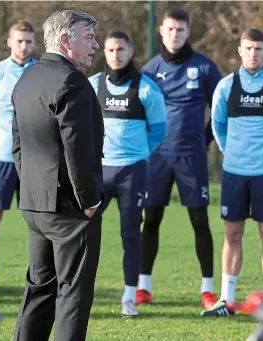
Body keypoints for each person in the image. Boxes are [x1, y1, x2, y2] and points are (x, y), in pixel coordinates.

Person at [11, 10, 103, 341]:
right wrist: (89, 200)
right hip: (70, 210)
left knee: (39, 290)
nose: (96, 44)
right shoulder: (72, 81)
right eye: (88, 37)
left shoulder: (27, 78)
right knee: (73, 296)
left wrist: (33, 190)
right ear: (66, 40)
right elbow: (76, 149)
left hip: (36, 205)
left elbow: (17, 146)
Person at [201, 29, 263, 317]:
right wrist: (231, 151)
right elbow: (217, 124)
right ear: (239, 51)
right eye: (248, 48)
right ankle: (226, 301)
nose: (253, 53)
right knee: (233, 233)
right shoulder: (226, 86)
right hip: (234, 172)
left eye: (259, 48)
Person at [136, 7, 223, 309]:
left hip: (191, 158)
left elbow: (220, 109)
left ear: (188, 33)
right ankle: (143, 287)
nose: (175, 35)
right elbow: (140, 114)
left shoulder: (206, 68)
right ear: (161, 31)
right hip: (157, 158)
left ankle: (208, 290)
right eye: (170, 29)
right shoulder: (149, 71)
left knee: (199, 220)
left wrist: (206, 140)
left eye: (181, 30)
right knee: (151, 220)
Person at [88, 31, 167, 317]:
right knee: (83, 231)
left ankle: (129, 297)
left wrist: (137, 153)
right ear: (104, 52)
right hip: (98, 171)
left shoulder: (146, 89)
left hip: (132, 173)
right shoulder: (93, 84)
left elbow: (159, 131)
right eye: (110, 50)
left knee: (131, 234)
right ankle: (78, 290)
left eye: (120, 49)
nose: (115, 54)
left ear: (131, 51)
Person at [0, 20, 37, 287]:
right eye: (19, 40)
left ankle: (39, 279)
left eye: (28, 41)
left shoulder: (43, 72)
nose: (23, 46)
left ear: (35, 43)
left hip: (36, 160)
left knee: (39, 221)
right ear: (9, 42)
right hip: (2, 158)